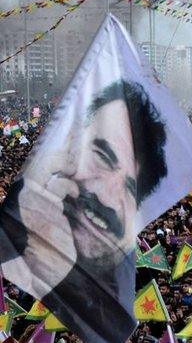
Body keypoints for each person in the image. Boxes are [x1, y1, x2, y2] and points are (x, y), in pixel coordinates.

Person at [0, 80, 168, 342]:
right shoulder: (12, 237)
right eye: (103, 156)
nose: (107, 195)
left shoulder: (112, 316)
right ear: (65, 148)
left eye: (130, 187)